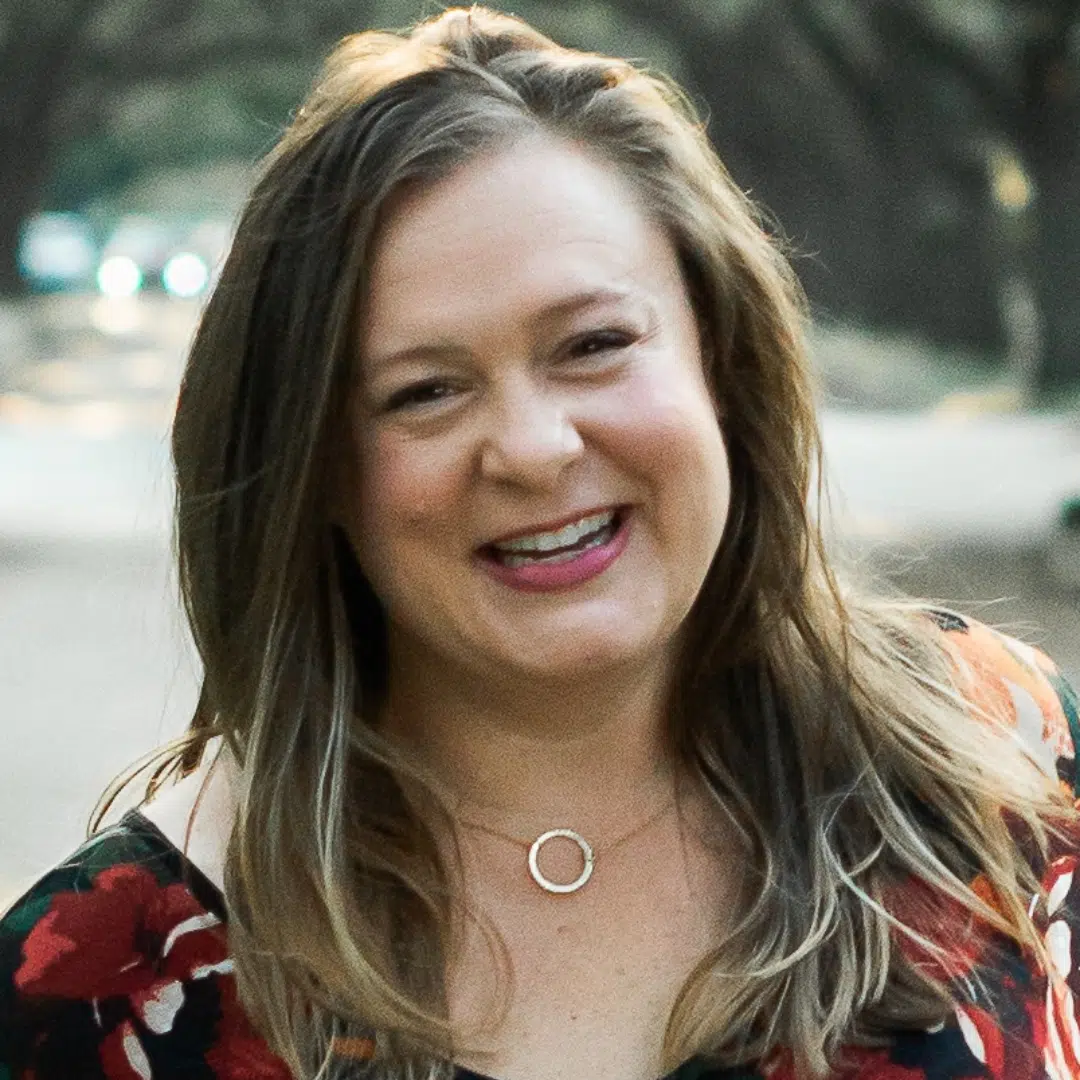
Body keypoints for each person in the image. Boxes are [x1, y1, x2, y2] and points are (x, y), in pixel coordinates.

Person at [2, 7, 1079, 1080]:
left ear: (721, 358)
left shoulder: (1009, 770)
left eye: (595, 344)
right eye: (423, 392)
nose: (531, 448)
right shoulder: (90, 992)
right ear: (316, 465)